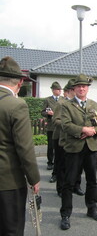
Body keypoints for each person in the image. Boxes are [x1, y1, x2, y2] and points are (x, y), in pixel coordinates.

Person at [60, 74, 97, 230]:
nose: (81, 88)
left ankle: (92, 208)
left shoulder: (94, 104)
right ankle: (65, 214)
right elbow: (66, 125)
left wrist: (94, 130)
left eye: (84, 86)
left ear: (87, 88)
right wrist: (82, 129)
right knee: (69, 182)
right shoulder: (67, 105)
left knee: (92, 180)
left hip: (91, 148)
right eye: (79, 86)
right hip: (74, 148)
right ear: (74, 89)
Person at [0, 56, 40, 236]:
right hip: (8, 181)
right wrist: (34, 178)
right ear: (20, 82)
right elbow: (25, 148)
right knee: (12, 230)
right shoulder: (16, 105)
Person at [52, 79, 84, 198]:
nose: (79, 90)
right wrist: (70, 124)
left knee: (78, 165)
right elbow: (56, 120)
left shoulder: (79, 103)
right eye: (76, 88)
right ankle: (60, 188)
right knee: (62, 166)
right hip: (62, 138)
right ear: (71, 90)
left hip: (76, 138)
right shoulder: (61, 103)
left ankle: (76, 185)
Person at [42, 81, 62, 176]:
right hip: (51, 126)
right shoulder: (48, 100)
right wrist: (47, 113)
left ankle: (58, 162)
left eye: (60, 89)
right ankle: (50, 162)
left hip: (60, 126)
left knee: (60, 145)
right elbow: (42, 112)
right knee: (50, 145)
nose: (59, 91)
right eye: (58, 89)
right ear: (53, 90)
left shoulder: (63, 99)